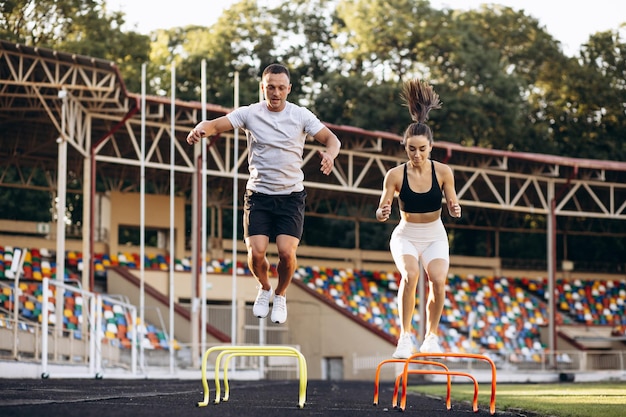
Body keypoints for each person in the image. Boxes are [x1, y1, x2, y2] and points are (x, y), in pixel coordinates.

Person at [186, 63, 341, 324]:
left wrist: (331, 155)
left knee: (286, 253)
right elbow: (214, 124)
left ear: (289, 89)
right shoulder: (249, 113)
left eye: (281, 88)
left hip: (291, 196)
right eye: (270, 87)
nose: (276, 93)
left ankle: (280, 295)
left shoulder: (301, 115)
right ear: (262, 87)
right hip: (258, 194)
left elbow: (332, 139)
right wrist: (201, 129)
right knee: (257, 253)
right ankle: (265, 288)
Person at [375, 79, 461, 358]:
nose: (417, 155)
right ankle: (405, 337)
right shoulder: (396, 175)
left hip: (435, 234)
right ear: (405, 147)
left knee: (437, 280)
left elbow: (452, 200)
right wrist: (383, 212)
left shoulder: (444, 172)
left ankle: (432, 337)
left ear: (431, 147)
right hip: (406, 234)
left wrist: (454, 208)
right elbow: (381, 208)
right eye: (411, 149)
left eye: (422, 149)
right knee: (410, 275)